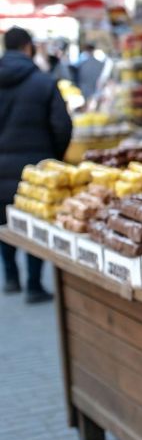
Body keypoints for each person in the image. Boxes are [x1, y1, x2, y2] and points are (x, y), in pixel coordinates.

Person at [0, 27, 73, 303]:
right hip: (34, 170)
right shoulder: (42, 82)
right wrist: (51, 159)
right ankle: (33, 284)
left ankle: (10, 277)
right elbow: (62, 125)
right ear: (28, 47)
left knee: (2, 222)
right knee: (34, 222)